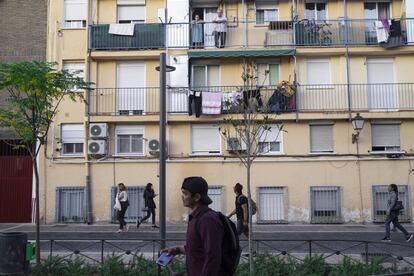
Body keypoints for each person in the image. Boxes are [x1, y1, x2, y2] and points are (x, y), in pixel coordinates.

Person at [161, 177, 227, 276]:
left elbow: (213, 256)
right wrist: (177, 250)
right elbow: (197, 248)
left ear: (196, 197)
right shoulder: (195, 217)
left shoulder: (207, 220)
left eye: (185, 193)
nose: (182, 196)